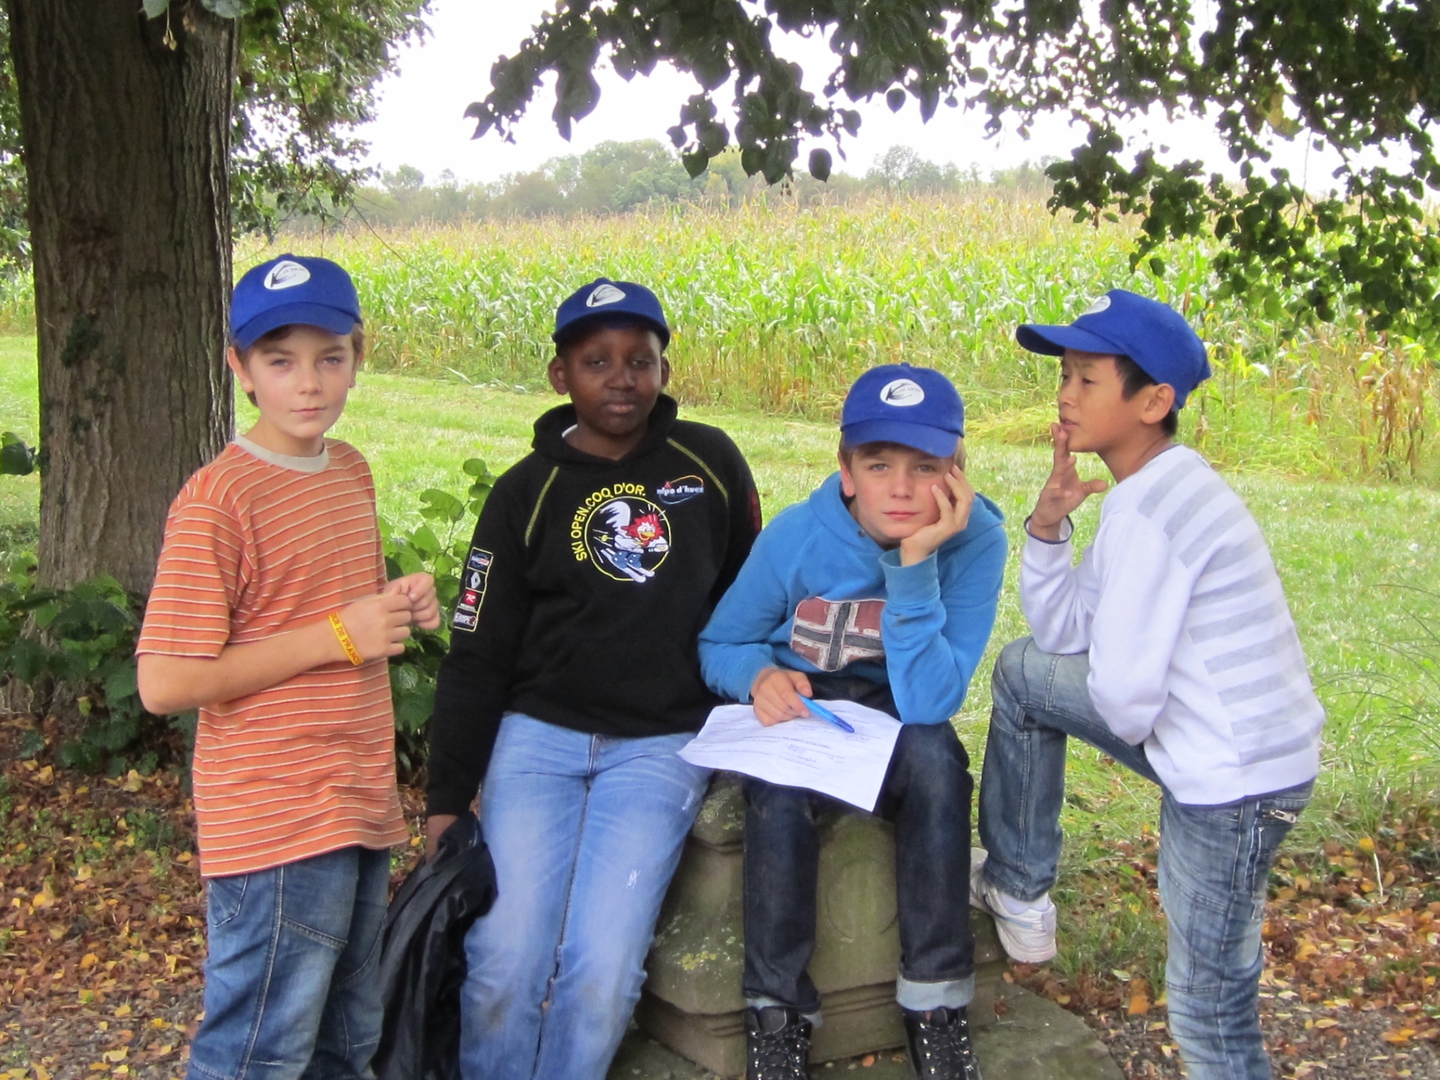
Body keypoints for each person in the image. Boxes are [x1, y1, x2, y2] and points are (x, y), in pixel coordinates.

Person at [971, 289, 1325, 1080]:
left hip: (1232, 779)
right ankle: (1018, 888)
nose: (1065, 395)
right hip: (1247, 758)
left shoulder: (1151, 510)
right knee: (1025, 673)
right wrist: (1048, 529)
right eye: (1063, 375)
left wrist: (1116, 693)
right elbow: (1063, 636)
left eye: (1087, 378)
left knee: (1209, 1017)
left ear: (1154, 401)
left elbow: (1126, 701)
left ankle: (1018, 885)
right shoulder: (1158, 487)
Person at [422, 277, 761, 1080]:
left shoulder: (708, 464)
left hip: (660, 746)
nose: (621, 379)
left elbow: (751, 596)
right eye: (596, 361)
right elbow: (476, 653)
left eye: (640, 360)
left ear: (664, 370)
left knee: (601, 970)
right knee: (505, 958)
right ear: (560, 375)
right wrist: (446, 800)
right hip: (538, 740)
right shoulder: (524, 493)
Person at [135, 253, 440, 1080]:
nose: (309, 383)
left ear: (358, 357)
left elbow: (321, 607)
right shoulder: (218, 501)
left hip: (358, 799)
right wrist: (338, 634)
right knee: (258, 1052)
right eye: (280, 361)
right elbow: (165, 682)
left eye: (329, 357)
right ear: (240, 368)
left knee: (346, 1042)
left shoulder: (349, 471)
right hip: (276, 820)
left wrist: (394, 602)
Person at [699, 363, 1007, 1080]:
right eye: (878, 465)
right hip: (807, 702)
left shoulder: (978, 541)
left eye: (925, 467)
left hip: (902, 707)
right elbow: (720, 642)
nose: (900, 488)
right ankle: (776, 1012)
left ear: (956, 475)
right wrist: (758, 677)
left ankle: (936, 1003)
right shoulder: (796, 537)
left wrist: (915, 563)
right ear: (846, 472)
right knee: (777, 795)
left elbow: (930, 702)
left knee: (938, 766)